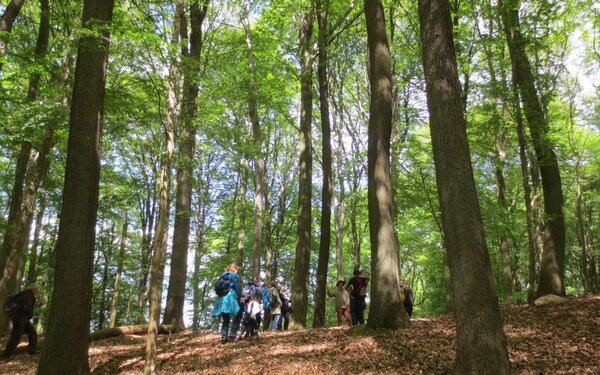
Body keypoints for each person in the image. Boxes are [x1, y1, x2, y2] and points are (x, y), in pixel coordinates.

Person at [1, 284, 38, 359]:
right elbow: (26, 306)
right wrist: (31, 314)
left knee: (32, 333)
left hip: (21, 318)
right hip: (21, 319)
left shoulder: (23, 294)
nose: (37, 291)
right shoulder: (28, 295)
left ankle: (32, 351)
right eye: (36, 289)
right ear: (33, 289)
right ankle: (6, 355)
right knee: (15, 337)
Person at [211, 264, 243, 343]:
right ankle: (233, 332)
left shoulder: (222, 276)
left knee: (225, 318)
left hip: (221, 299)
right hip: (230, 297)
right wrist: (240, 297)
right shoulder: (234, 275)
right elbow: (237, 287)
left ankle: (224, 337)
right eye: (237, 269)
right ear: (235, 269)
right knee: (239, 313)